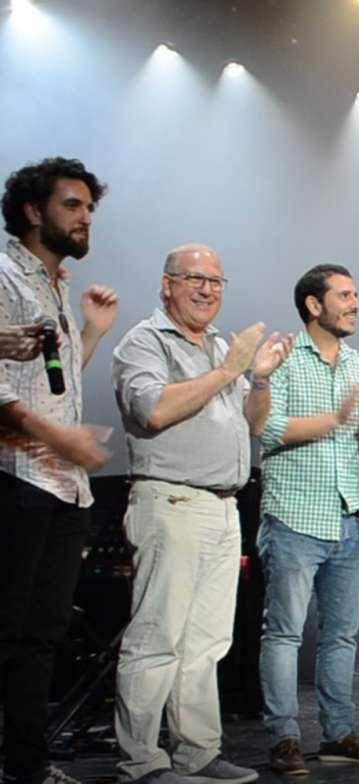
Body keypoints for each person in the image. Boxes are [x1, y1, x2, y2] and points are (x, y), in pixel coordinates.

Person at [112, 244, 290, 784]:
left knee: (207, 643)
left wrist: (258, 379)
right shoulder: (144, 341)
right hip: (171, 500)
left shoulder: (218, 345)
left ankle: (197, 753)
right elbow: (153, 409)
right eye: (195, 278)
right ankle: (141, 762)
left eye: (216, 281)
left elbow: (254, 425)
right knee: (157, 638)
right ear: (167, 284)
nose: (208, 290)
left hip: (222, 505)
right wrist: (230, 368)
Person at [258, 265, 359, 774]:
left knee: (342, 637)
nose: (355, 303)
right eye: (344, 295)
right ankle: (284, 738)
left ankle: (338, 733)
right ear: (314, 305)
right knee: (284, 634)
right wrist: (335, 420)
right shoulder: (283, 358)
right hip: (295, 512)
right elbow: (267, 429)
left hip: (349, 516)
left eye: (357, 294)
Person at [1, 157, 116, 784]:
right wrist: (59, 439)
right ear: (32, 210)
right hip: (17, 476)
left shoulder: (58, 288)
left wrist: (90, 335)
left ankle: (28, 765)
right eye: (72, 205)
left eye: (90, 208)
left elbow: (52, 383)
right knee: (9, 631)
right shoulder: (3, 276)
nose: (85, 218)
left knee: (42, 635)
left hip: (64, 488)